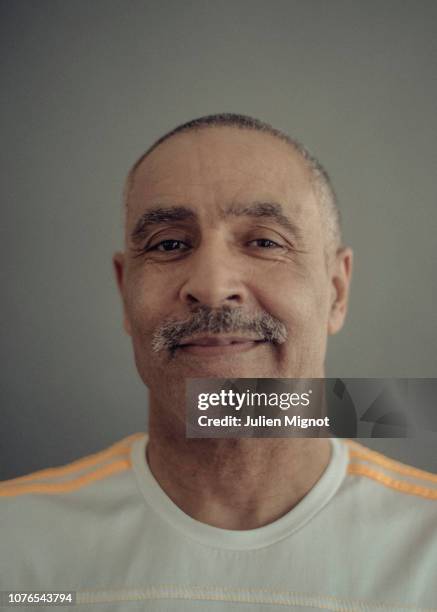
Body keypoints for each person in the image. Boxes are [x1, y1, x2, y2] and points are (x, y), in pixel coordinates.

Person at [1, 114, 436, 611]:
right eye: (169, 244)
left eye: (264, 241)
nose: (211, 285)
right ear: (125, 294)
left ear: (336, 291)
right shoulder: (14, 551)